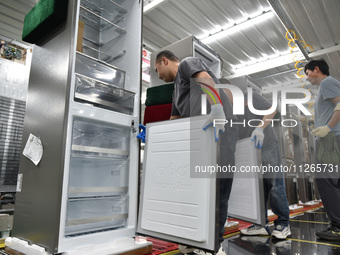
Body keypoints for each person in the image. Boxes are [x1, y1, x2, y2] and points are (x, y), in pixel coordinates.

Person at [154, 50, 238, 255]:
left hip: (219, 134)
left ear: (164, 60)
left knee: (218, 193)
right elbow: (175, 120)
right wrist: (157, 140)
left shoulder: (187, 63)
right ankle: (198, 238)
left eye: (157, 70)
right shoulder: (176, 91)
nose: (158, 76)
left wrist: (217, 108)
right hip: (200, 141)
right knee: (199, 193)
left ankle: (213, 247)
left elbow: (204, 78)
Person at [239, 91, 291, 239]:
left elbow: (272, 109)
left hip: (266, 144)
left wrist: (260, 128)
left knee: (275, 185)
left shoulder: (248, 96)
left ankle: (283, 224)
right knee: (257, 189)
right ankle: (260, 224)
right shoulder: (229, 107)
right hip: (250, 149)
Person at [303, 59, 340, 241]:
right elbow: (330, 111)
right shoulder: (326, 87)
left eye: (308, 73)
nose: (307, 78)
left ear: (316, 69)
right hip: (331, 138)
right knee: (334, 182)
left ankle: (338, 227)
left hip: (330, 139)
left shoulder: (327, 82)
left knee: (325, 181)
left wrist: (328, 129)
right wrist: (310, 122)